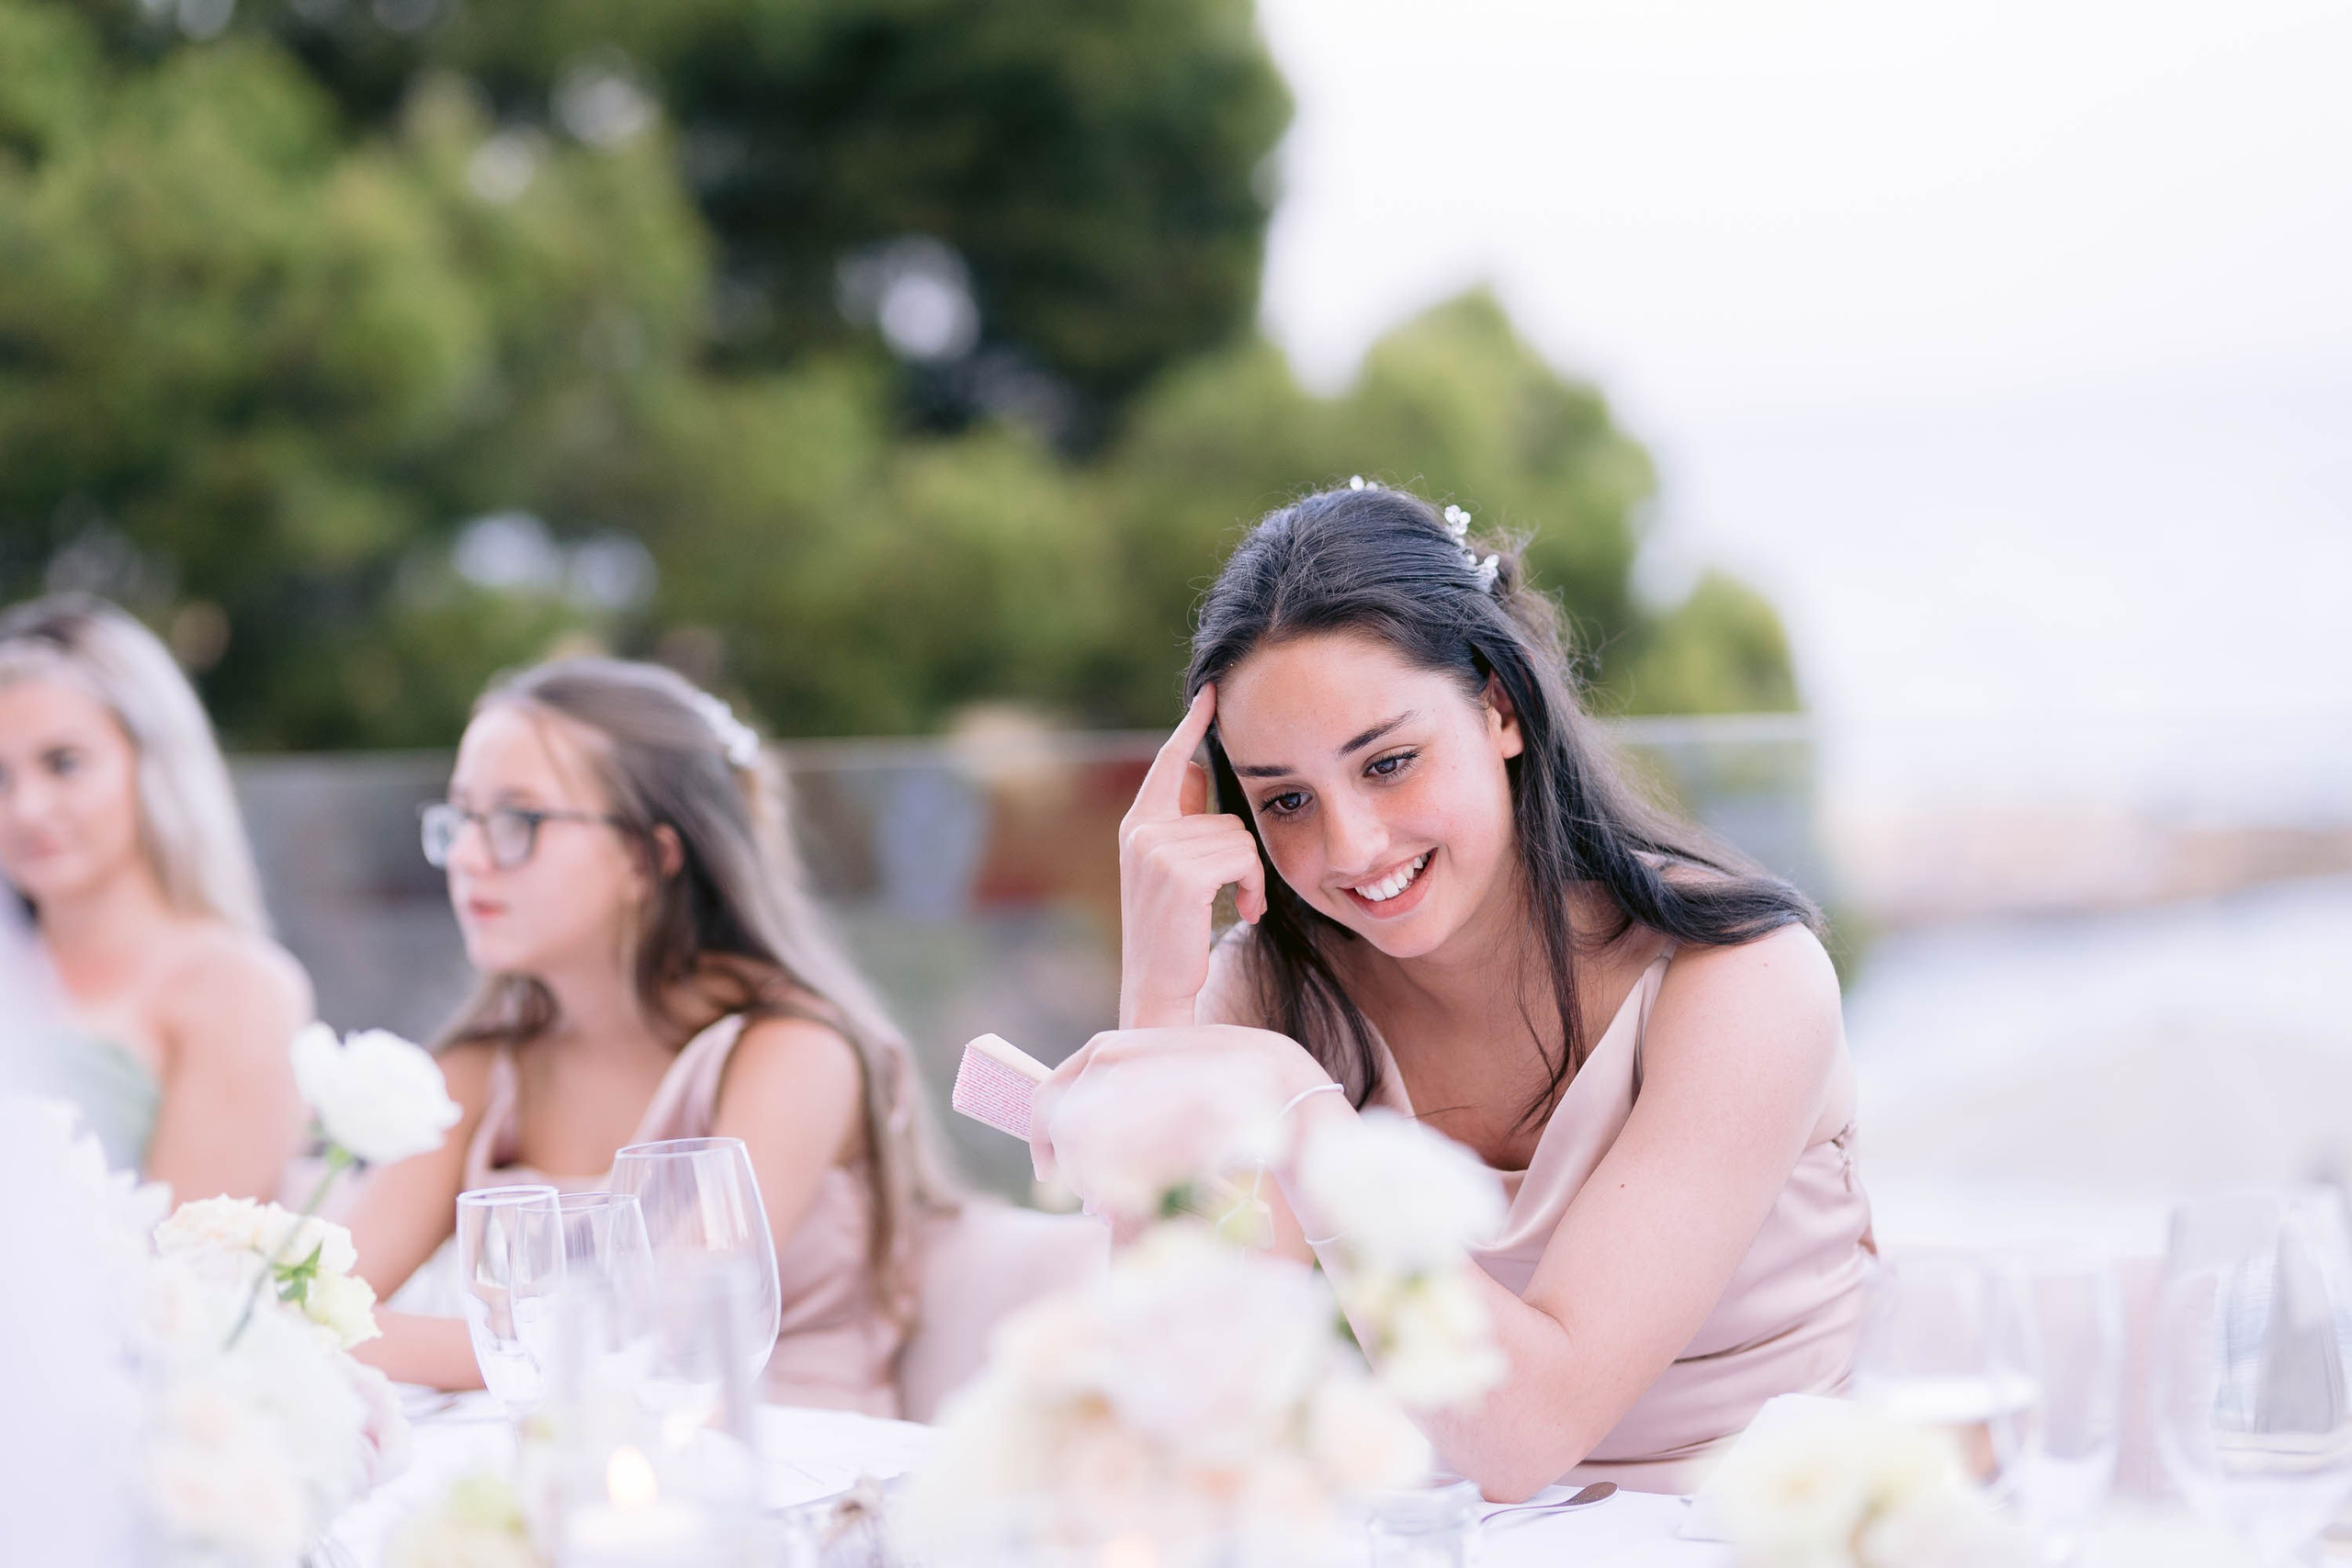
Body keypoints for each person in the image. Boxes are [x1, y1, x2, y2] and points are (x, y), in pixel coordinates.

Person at [1030, 484, 1875, 1497]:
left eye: (1387, 762)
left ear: (1499, 708)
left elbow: (1525, 1436)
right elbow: (1187, 1400)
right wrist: (1160, 1005)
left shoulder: (1740, 981)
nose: (1350, 847)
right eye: (1284, 800)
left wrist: (1303, 1119)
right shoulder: (1270, 995)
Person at [347, 657, 957, 1414]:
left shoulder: (790, 1051)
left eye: (516, 821)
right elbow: (318, 1284)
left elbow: (659, 1333)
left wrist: (346, 1334)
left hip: (792, 1484)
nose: (469, 857)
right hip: (556, 1479)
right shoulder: (483, 1069)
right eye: (461, 819)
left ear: (649, 857)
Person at [0, 595, 310, 1199]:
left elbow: (189, 1272)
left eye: (63, 763)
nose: (27, 808)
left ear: (153, 765)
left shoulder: (235, 987)